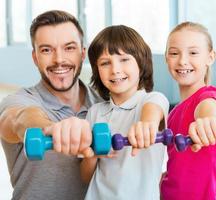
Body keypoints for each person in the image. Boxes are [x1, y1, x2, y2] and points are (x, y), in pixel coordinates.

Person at [0, 10, 101, 200]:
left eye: (69, 48)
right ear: (35, 57)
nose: (59, 59)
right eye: (47, 50)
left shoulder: (103, 105)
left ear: (83, 53)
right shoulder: (18, 101)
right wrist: (51, 128)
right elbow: (18, 119)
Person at [80, 25, 169, 200]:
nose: (115, 70)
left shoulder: (152, 101)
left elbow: (153, 114)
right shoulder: (95, 112)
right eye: (105, 63)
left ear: (141, 63)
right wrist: (92, 155)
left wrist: (146, 125)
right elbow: (85, 177)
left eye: (124, 60)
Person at [160, 22, 216, 200]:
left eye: (193, 53)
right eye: (174, 53)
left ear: (210, 57)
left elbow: (208, 107)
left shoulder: (211, 96)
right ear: (166, 58)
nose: (182, 60)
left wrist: (207, 120)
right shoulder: (173, 113)